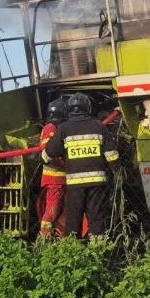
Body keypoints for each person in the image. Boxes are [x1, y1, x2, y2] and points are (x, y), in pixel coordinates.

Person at [41, 93, 119, 239]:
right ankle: (98, 250)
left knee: (73, 219)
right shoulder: (99, 126)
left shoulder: (64, 129)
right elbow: (112, 155)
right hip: (97, 183)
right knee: (96, 218)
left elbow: (47, 154)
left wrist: (44, 159)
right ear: (88, 108)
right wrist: (116, 171)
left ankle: (74, 250)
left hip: (74, 185)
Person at [35, 96, 69, 239]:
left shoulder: (55, 127)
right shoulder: (50, 128)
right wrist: (66, 163)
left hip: (61, 178)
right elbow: (48, 153)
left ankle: (59, 236)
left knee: (64, 209)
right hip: (54, 178)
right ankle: (44, 238)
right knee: (52, 210)